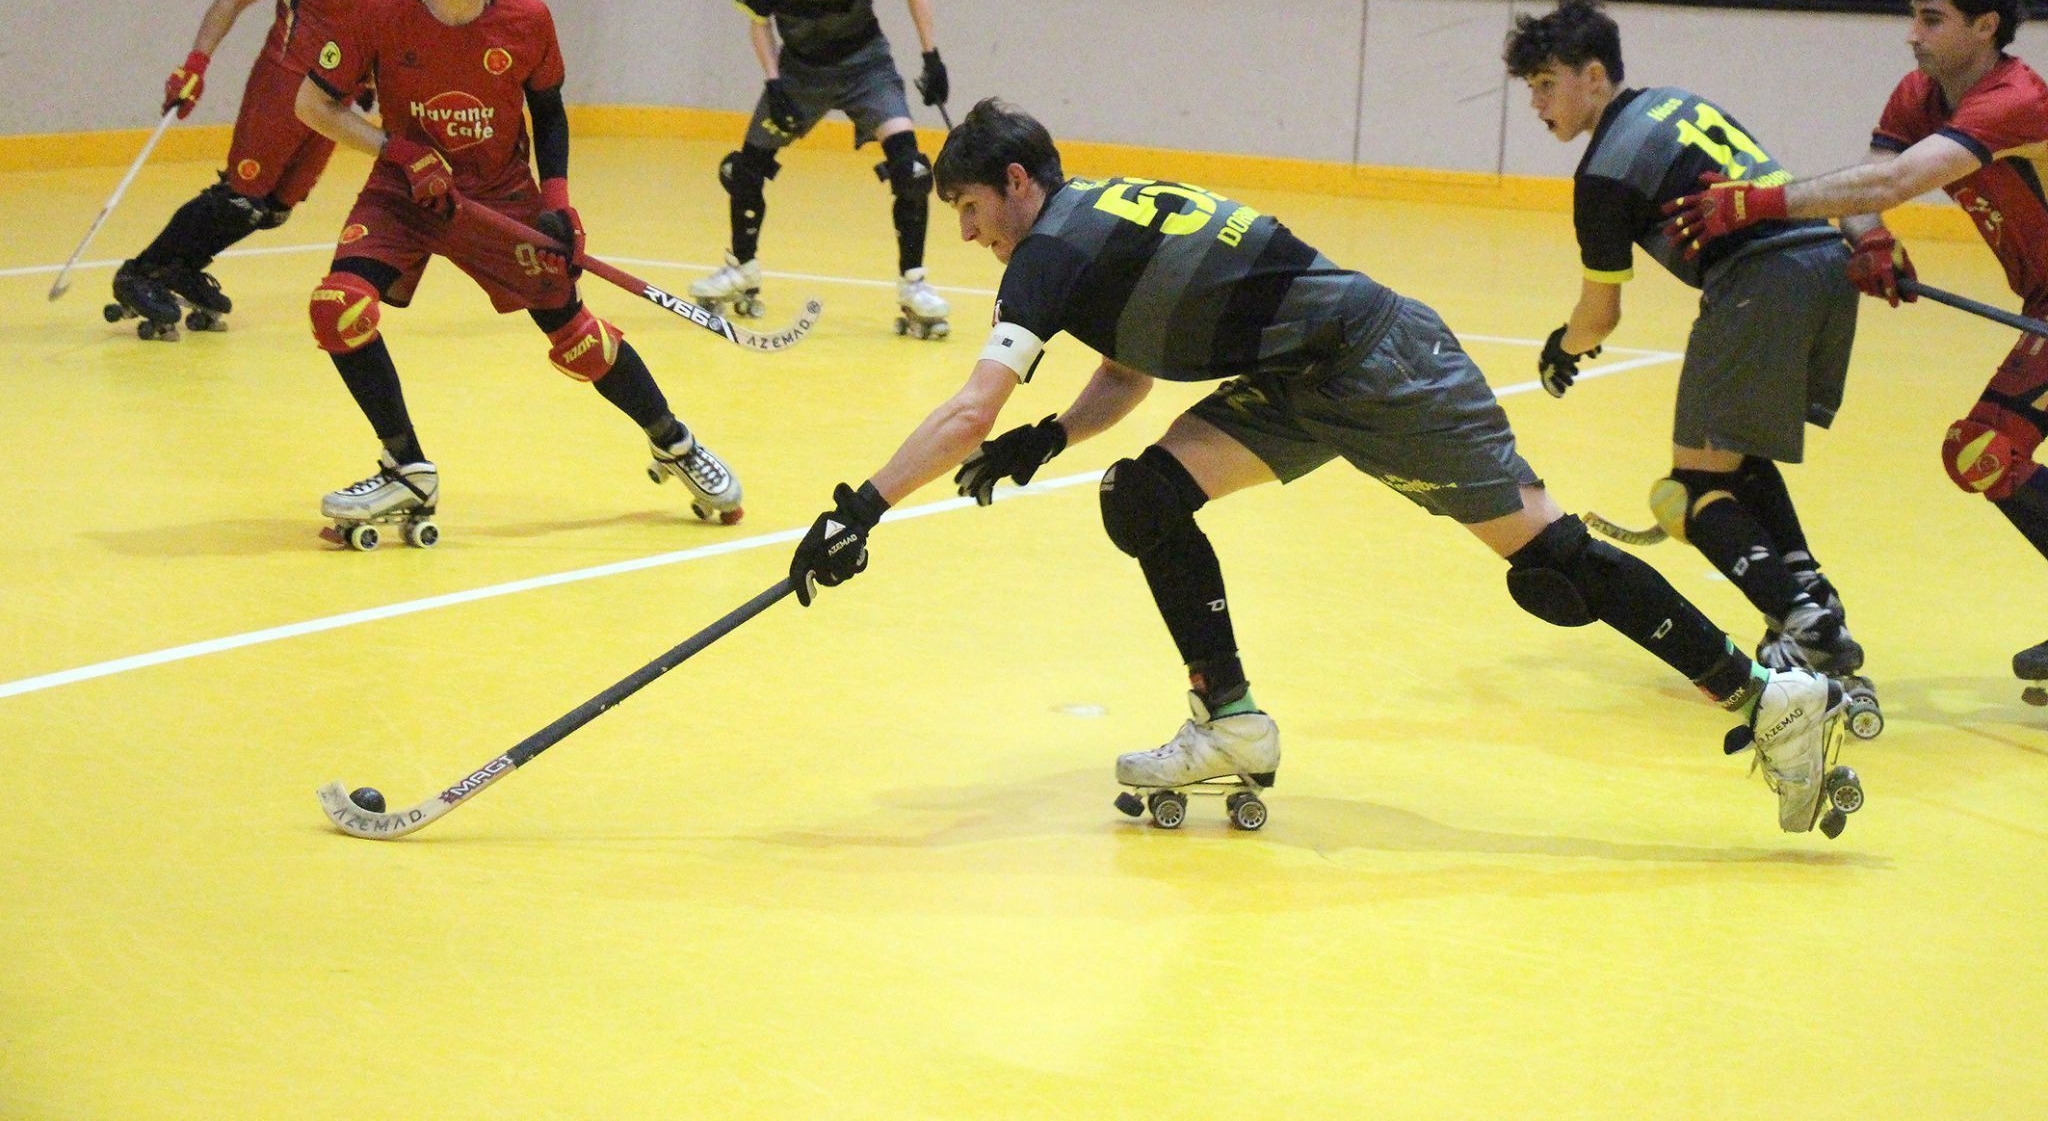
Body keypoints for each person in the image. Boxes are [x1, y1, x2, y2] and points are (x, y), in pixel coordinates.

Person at [784, 97, 1865, 838]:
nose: (969, 236)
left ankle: (1769, 695)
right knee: (1145, 492)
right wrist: (1053, 437)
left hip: (1376, 364)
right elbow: (1128, 364)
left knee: (1549, 559)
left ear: (1013, 184)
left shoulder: (1048, 254)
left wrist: (858, 510)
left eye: (969, 212)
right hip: (1305, 375)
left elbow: (971, 404)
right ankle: (1230, 719)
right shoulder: (1092, 214)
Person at [291, 0, 742, 542]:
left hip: (497, 199)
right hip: (405, 194)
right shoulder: (380, 8)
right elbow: (313, 104)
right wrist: (396, 150)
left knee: (580, 340)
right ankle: (408, 467)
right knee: (339, 308)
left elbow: (550, 114)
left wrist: (557, 201)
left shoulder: (527, 19)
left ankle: (674, 442)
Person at [1668, 0, 2048, 687]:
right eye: (1914, 15)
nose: (1913, 33)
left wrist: (1758, 201)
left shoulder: (2017, 98)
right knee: (1982, 452)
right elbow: (1873, 188)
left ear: (1985, 27)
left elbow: (1900, 178)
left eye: (1932, 19)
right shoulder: (1919, 93)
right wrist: (1871, 240)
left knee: (1985, 450)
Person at [1505, 0, 1877, 733]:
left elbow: (1600, 315)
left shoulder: (1603, 173)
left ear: (1594, 74)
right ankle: (1810, 600)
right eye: (1530, 88)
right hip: (1825, 265)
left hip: (1759, 283)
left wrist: (1561, 350)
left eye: (1548, 83)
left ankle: (1804, 625)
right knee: (1731, 462)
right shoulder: (1675, 102)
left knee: (1690, 492)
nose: (1538, 103)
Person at [109, 0, 410, 338]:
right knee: (242, 193)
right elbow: (231, 0)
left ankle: (182, 266)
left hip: (334, 100)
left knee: (275, 208)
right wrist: (195, 65)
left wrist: (372, 83)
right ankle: (140, 272)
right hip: (284, 86)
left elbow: (381, 21)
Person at [693, 0, 952, 340]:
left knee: (911, 171)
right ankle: (741, 268)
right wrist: (773, 83)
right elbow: (758, 22)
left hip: (865, 68)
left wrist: (931, 57)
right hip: (800, 73)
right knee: (744, 170)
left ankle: (914, 284)